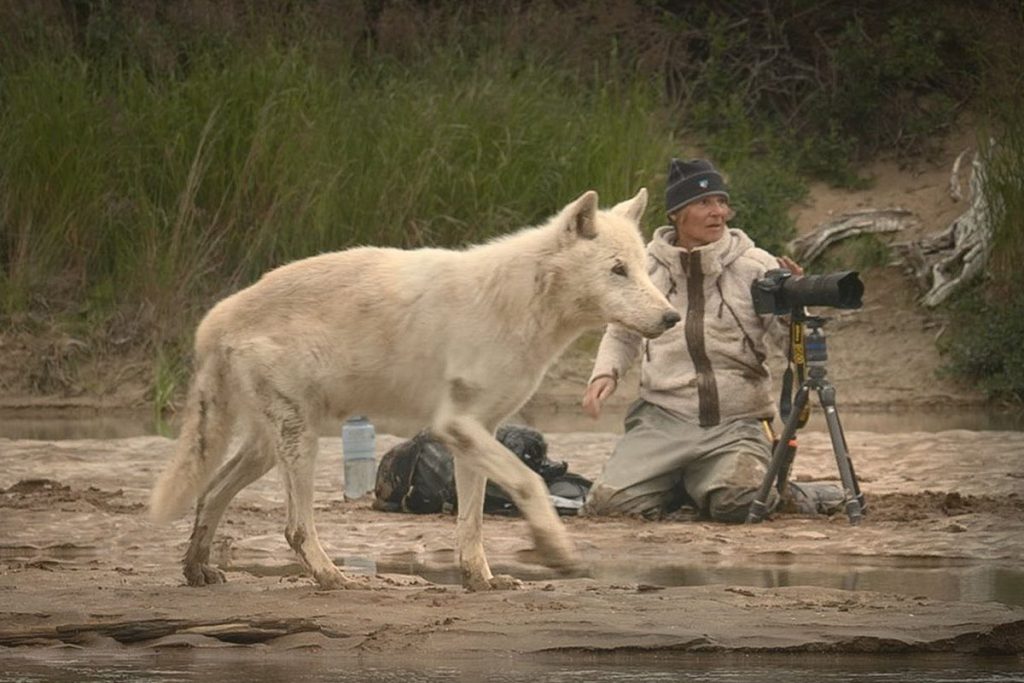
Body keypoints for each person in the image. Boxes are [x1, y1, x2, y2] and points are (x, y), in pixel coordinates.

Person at [581, 158, 839, 522]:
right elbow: (622, 332)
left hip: (737, 422)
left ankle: (781, 489)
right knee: (609, 507)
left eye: (721, 202)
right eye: (704, 203)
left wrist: (794, 311)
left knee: (742, 505)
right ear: (676, 214)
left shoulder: (756, 265)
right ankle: (684, 481)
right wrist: (604, 374)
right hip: (662, 420)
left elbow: (794, 351)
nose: (718, 212)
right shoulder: (647, 266)